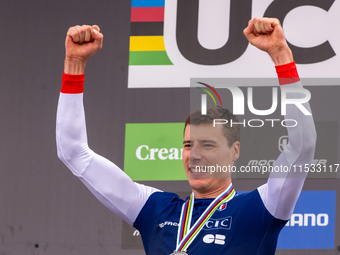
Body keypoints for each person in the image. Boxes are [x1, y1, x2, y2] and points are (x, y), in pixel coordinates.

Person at [56, 18, 316, 254]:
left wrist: (281, 55)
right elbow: (73, 151)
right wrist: (74, 65)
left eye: (208, 145)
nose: (195, 155)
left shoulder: (260, 209)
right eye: (189, 144)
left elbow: (302, 145)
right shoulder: (156, 209)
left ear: (234, 151)